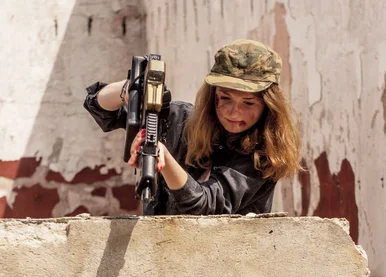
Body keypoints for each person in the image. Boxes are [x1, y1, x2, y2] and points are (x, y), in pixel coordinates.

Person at [84, 39, 302, 216]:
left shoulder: (263, 154)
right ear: (212, 96)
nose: (234, 113)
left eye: (248, 103)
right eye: (225, 98)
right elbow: (99, 107)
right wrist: (130, 90)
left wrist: (163, 158)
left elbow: (204, 206)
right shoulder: (180, 119)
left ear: (268, 105)